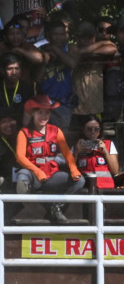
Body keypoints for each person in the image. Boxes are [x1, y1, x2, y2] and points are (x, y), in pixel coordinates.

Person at [14, 95, 84, 223]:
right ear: (33, 113)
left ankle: (56, 208)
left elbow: (67, 154)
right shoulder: (24, 132)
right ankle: (28, 210)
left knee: (80, 181)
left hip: (52, 174)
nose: (43, 116)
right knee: (22, 176)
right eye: (40, 112)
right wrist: (37, 171)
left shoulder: (56, 131)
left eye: (47, 113)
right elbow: (20, 157)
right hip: (33, 175)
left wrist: (73, 168)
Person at [73, 116, 121, 189]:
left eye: (96, 129)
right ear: (83, 130)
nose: (93, 132)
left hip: (106, 187)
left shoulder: (108, 144)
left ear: (100, 130)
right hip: (85, 187)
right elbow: (69, 170)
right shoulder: (78, 145)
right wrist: (76, 153)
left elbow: (115, 172)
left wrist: (105, 152)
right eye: (89, 129)